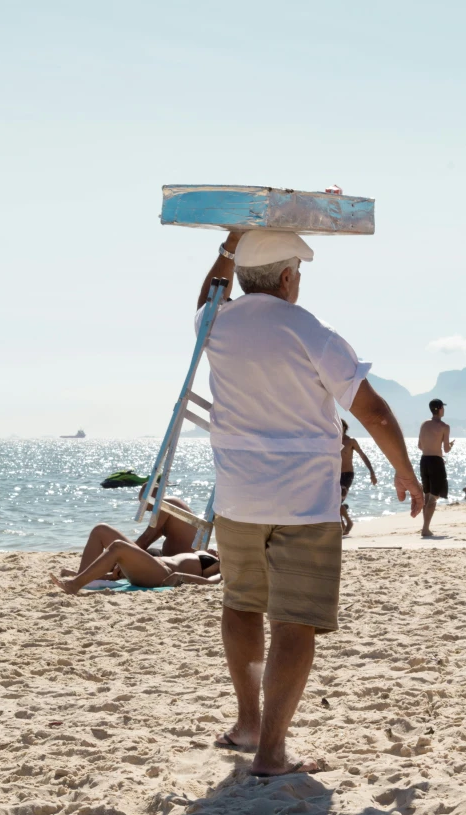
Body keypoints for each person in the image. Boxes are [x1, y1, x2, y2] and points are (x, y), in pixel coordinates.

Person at [196, 229, 423, 778]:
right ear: (287, 277)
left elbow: (208, 293)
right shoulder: (309, 330)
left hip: (238, 497)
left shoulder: (216, 325)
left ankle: (248, 723)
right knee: (294, 623)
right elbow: (374, 411)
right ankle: (272, 752)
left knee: (242, 606)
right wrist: (405, 471)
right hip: (303, 502)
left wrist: (230, 243)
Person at [60, 486, 199, 581]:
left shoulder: (165, 504)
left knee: (101, 531)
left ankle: (86, 576)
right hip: (173, 561)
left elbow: (144, 539)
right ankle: (98, 573)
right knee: (138, 552)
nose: (146, 510)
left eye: (145, 504)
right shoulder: (174, 504)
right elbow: (145, 543)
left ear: (152, 498)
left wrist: (123, 558)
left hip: (170, 567)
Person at [51, 545, 221, 594]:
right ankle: (85, 575)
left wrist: (181, 577)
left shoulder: (230, 564)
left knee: (118, 547)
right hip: (156, 565)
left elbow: (210, 582)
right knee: (101, 530)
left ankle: (75, 584)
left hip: (164, 573)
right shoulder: (216, 553)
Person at [418, 399, 454, 537]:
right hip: (436, 462)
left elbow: (420, 446)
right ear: (439, 408)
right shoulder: (444, 426)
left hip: (424, 460)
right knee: (434, 497)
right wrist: (450, 445)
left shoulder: (424, 424)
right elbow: (446, 448)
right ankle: (425, 529)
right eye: (442, 408)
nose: (443, 410)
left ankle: (425, 527)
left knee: (427, 495)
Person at [340, 418, 378, 536]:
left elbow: (363, 456)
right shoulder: (331, 441)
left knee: (336, 500)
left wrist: (371, 472)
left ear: (344, 428)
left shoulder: (351, 442)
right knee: (332, 502)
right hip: (333, 475)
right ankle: (342, 526)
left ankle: (348, 523)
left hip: (347, 475)